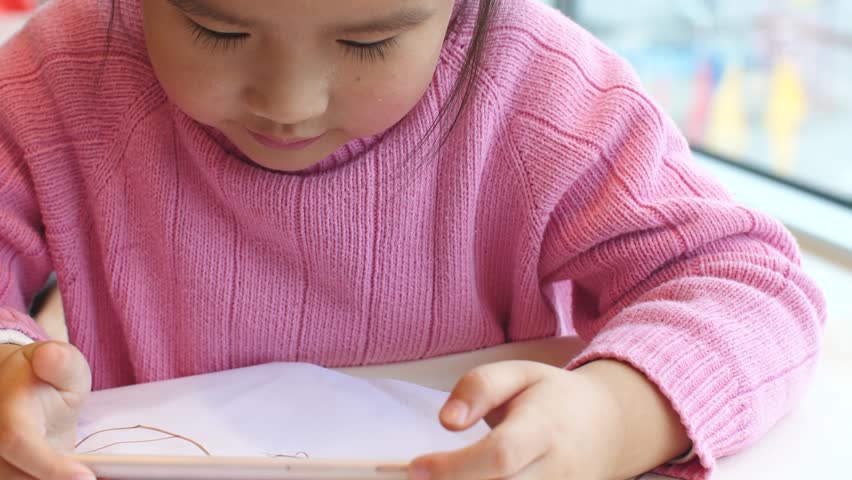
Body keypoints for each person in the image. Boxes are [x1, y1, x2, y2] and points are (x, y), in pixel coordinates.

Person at [0, 0, 826, 479]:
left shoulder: (540, 94)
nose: (289, 102)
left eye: (368, 39)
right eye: (219, 29)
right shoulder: (69, 68)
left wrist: (614, 413)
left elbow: (748, 282)